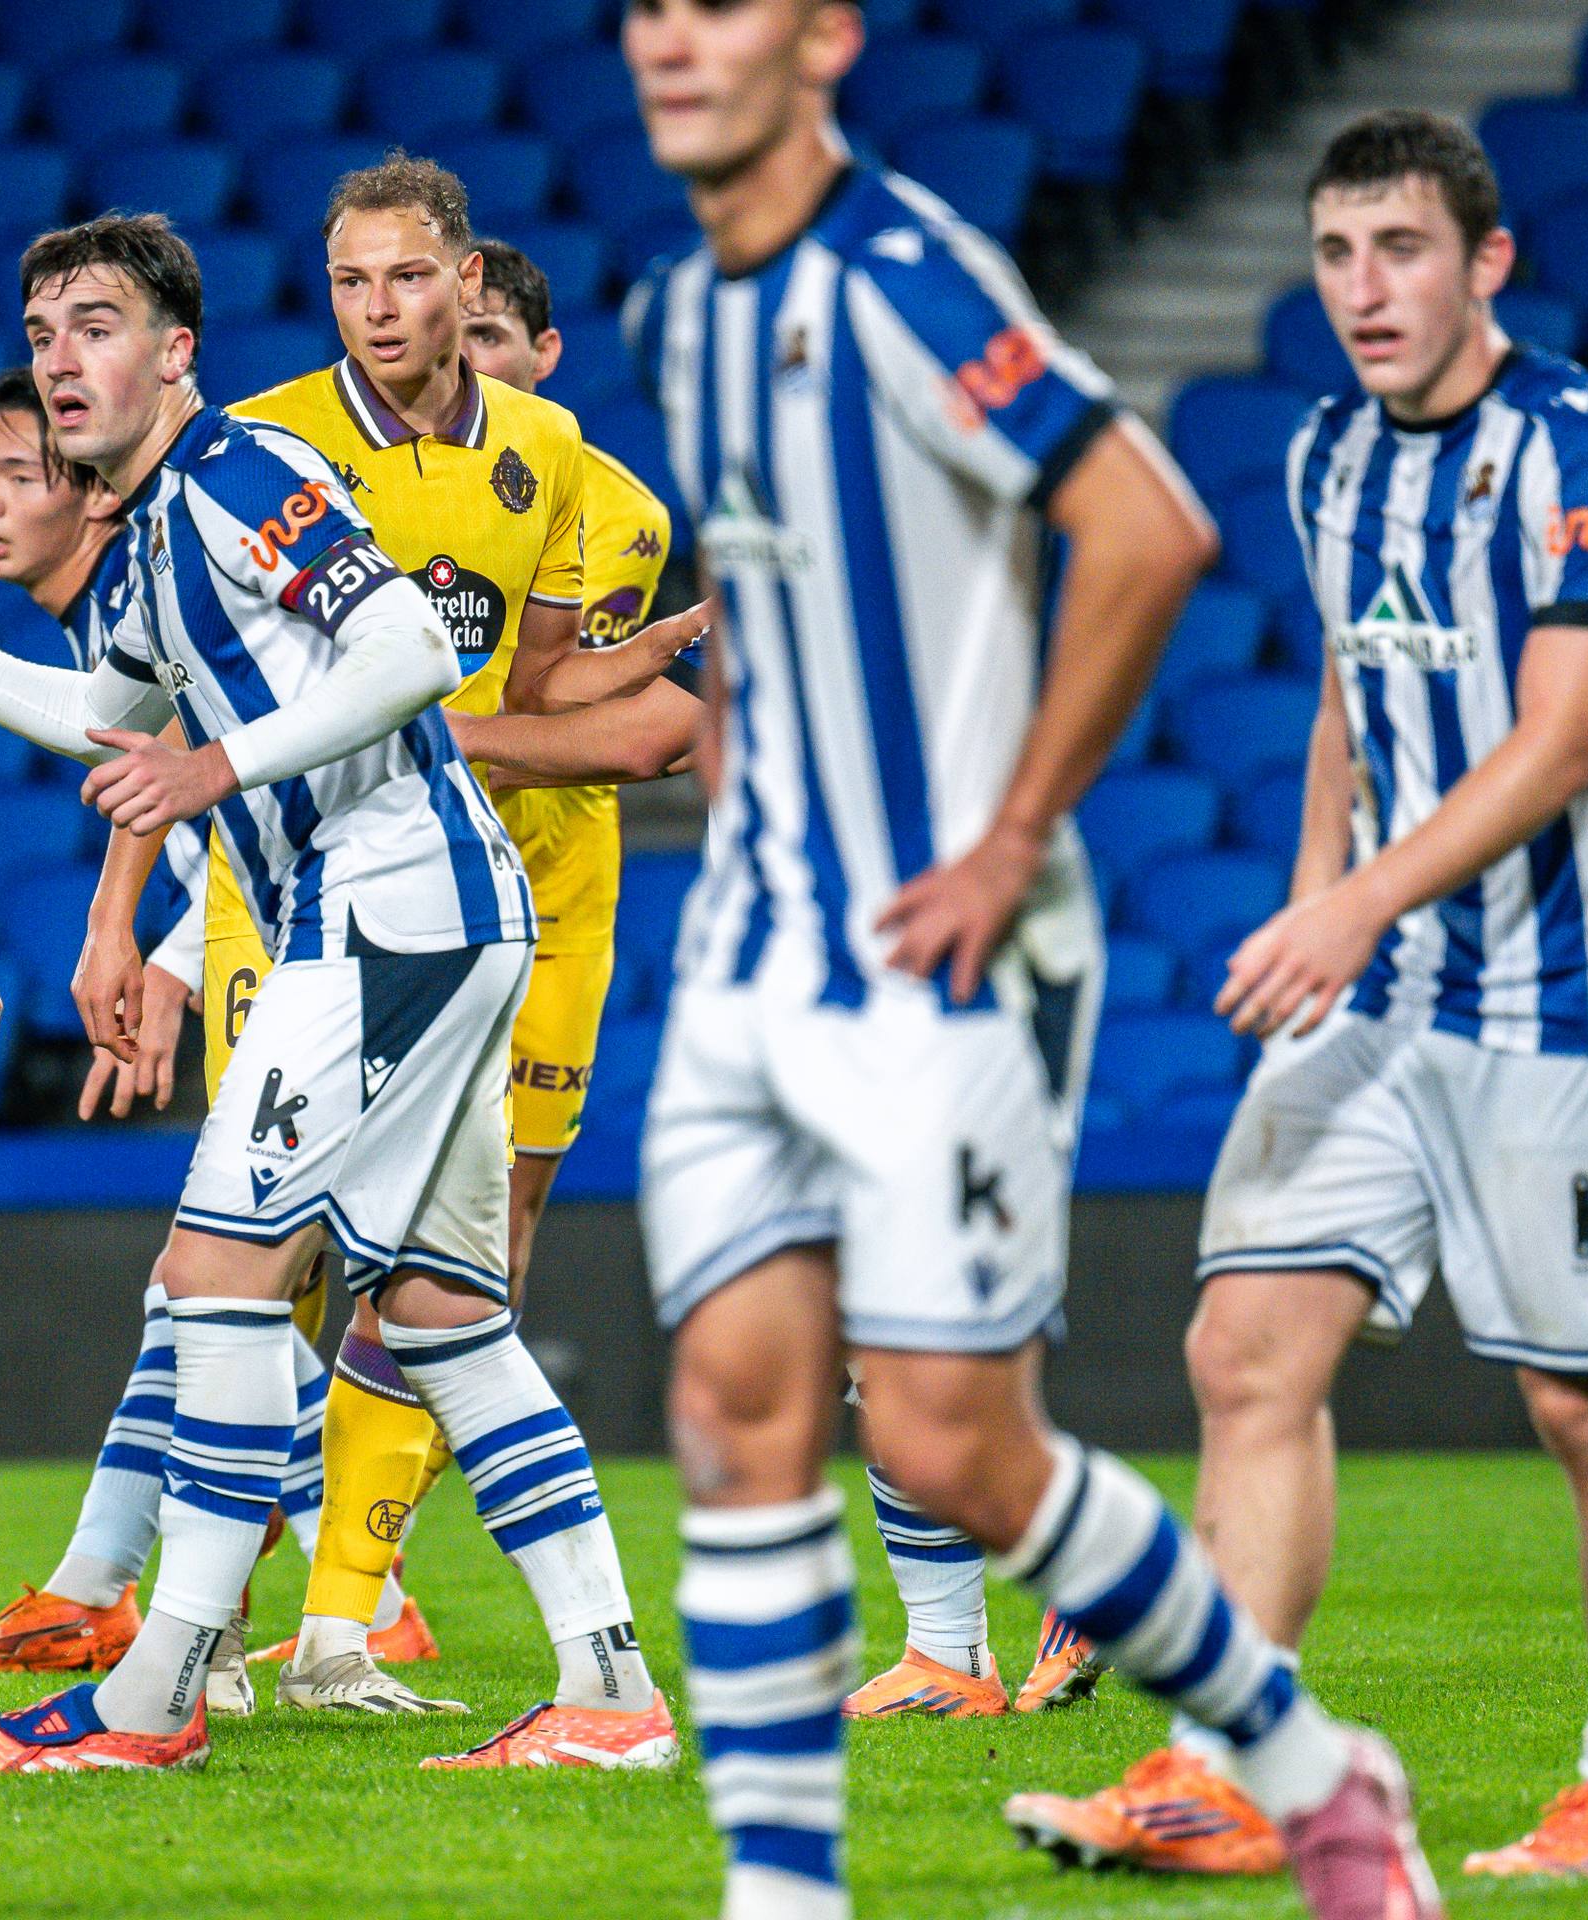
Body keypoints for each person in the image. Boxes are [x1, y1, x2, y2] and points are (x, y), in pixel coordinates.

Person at [621, 5, 1438, 1917]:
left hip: (943, 949)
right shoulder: (681, 312)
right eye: (648, 9)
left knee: (952, 1444)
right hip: (758, 944)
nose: (672, 42)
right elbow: (769, 608)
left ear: (821, 38)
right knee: (737, 1411)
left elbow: (1144, 527)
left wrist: (1003, 836)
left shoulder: (902, 275)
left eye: (717, 8)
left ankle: (1317, 1781)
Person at [0, 213, 672, 1775]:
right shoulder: (148, 540)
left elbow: (411, 645)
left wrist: (221, 763)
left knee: (214, 1278)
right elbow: (102, 711)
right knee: (444, 1317)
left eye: (93, 323)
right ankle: (610, 1691)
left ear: (177, 353)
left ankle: (155, 1695)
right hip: (415, 916)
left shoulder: (239, 476)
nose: (59, 356)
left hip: (391, 905)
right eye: (43, 326)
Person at [1006, 110, 1588, 1885]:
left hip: (1569, 1002)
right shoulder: (1328, 453)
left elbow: (1558, 741)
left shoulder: (1584, 444)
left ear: (1488, 263)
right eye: (1333, 254)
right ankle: (1232, 1764)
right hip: (1385, 994)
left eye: (1399, 249)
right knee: (1244, 1351)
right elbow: (1351, 690)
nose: (1362, 289)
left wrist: (1350, 909)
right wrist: (1325, 899)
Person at [452, 236, 1102, 1721]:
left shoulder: (927, 552)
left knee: (917, 1318)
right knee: (850, 1323)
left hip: (925, 954)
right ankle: (955, 1645)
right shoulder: (766, 548)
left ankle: (1099, 1594)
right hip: (818, 955)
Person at [216, 155, 696, 1720]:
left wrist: (660, 692)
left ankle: (339, 1624)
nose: (392, 315)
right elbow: (215, 689)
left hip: (522, 907)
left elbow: (532, 693)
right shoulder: (275, 444)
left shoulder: (567, 469)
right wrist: (133, 922)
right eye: (356, 283)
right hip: (319, 903)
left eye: (418, 284)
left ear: (479, 293)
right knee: (259, 1255)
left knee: (457, 1275)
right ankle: (196, 1613)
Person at [0, 372, 332, 1713]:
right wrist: (159, 947)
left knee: (276, 1291)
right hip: (293, 929)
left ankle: (287, 1622)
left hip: (355, 935)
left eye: (15, 471)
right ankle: (165, 1610)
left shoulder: (161, 575)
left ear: (88, 488)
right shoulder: (118, 604)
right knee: (234, 1286)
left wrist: (134, 939)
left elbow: (237, 762)